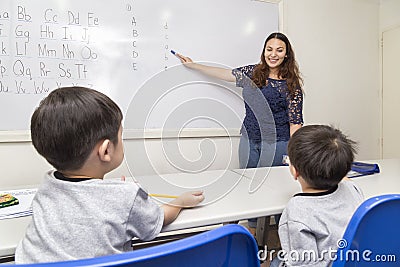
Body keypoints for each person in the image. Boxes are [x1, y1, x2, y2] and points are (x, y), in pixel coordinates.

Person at [15, 86, 204, 263]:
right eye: (120, 136)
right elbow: (157, 220)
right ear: (106, 151)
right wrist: (180, 202)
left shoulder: (47, 186)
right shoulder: (126, 196)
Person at [176, 32, 303, 231]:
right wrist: (194, 65)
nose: (273, 54)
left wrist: (294, 154)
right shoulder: (253, 73)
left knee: (276, 189)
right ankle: (252, 234)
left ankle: (281, 235)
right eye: (269, 49)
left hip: (277, 144)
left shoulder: (291, 85)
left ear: (286, 54)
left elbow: (295, 123)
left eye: (279, 50)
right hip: (248, 139)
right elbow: (223, 74)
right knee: (247, 187)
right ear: (264, 51)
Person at [270, 125, 364, 267]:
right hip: (358, 260)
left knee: (276, 261)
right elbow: (345, 180)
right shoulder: (352, 189)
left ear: (295, 172)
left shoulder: (296, 211)